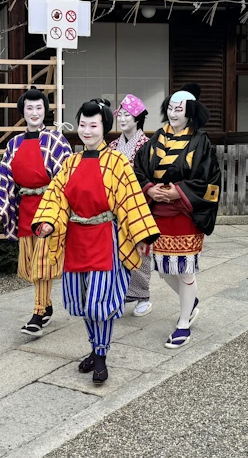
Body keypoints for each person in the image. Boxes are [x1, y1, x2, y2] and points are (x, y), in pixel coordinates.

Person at [33, 99, 159, 384]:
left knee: (99, 301)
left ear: (105, 128)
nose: (87, 131)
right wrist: (47, 221)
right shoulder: (70, 163)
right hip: (76, 237)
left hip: (106, 237)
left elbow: (130, 201)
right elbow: (56, 197)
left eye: (94, 125)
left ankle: (100, 355)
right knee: (82, 300)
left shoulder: (117, 163)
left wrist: (140, 236)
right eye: (83, 125)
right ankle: (94, 346)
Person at [134, 84, 221, 350]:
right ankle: (191, 300)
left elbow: (210, 179)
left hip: (185, 213)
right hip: (158, 213)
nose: (173, 114)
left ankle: (184, 323)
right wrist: (151, 189)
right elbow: (139, 170)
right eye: (170, 108)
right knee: (162, 268)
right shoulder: (155, 139)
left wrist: (177, 192)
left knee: (184, 270)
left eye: (179, 109)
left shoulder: (200, 142)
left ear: (191, 112)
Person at [0, 87, 72, 336]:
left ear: (46, 111)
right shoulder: (14, 143)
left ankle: (38, 313)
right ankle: (48, 306)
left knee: (43, 262)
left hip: (49, 207)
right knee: (31, 265)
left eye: (39, 108)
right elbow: (5, 179)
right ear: (23, 111)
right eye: (29, 108)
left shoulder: (56, 141)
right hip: (25, 209)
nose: (34, 113)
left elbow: (66, 179)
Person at [109, 94, 154, 317]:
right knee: (117, 249)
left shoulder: (147, 145)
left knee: (141, 249)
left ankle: (142, 295)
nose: (123, 119)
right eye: (121, 115)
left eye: (127, 115)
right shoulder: (113, 145)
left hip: (139, 205)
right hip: (115, 207)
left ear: (137, 118)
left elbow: (149, 177)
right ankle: (121, 294)